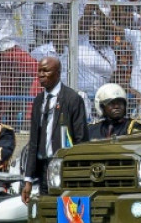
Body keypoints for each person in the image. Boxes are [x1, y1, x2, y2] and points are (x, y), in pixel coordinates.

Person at [22, 57, 89, 204]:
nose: (41, 74)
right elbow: (33, 141)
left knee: (69, 213)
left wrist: (77, 172)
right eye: (39, 71)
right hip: (44, 169)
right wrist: (28, 179)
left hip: (65, 168)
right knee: (47, 210)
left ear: (58, 73)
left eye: (46, 70)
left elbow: (81, 138)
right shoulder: (38, 101)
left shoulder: (72, 99)